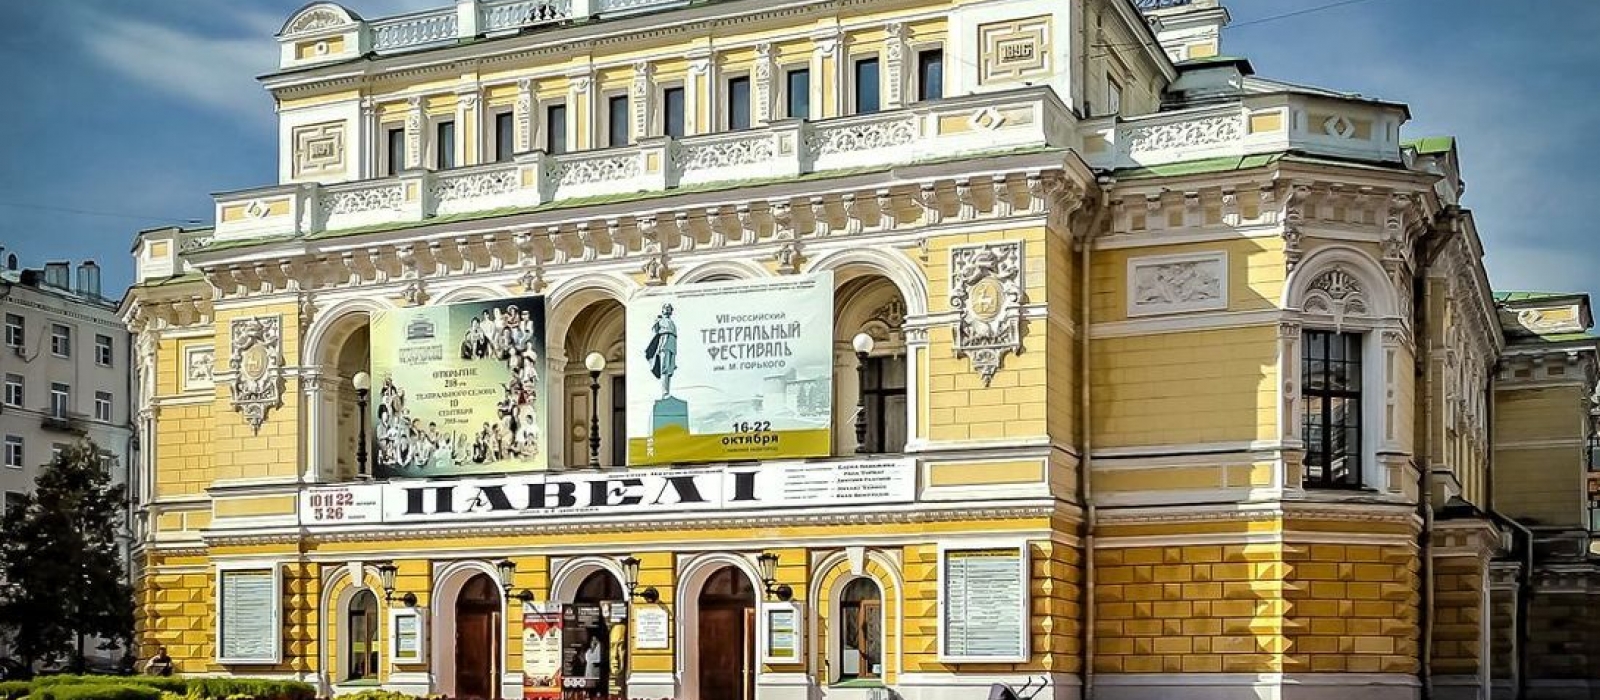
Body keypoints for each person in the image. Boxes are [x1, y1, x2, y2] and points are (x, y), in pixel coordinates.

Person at [644, 304, 678, 398]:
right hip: (664, 343)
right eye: (666, 308)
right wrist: (657, 321)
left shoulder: (672, 322)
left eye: (670, 308)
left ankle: (667, 391)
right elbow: (655, 330)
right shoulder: (660, 320)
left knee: (669, 370)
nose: (668, 309)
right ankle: (665, 393)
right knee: (664, 369)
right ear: (662, 310)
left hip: (672, 343)